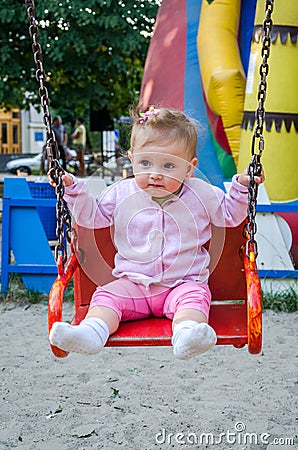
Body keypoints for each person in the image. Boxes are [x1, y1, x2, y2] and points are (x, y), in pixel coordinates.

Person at [49, 106, 264, 360]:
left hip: (183, 283)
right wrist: (73, 190)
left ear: (189, 168)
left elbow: (230, 215)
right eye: (146, 162)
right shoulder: (120, 193)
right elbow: (91, 217)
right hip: (132, 283)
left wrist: (242, 188)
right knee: (107, 297)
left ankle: (186, 335)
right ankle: (91, 333)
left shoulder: (202, 194)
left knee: (194, 301)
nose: (155, 174)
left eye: (169, 165)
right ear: (132, 160)